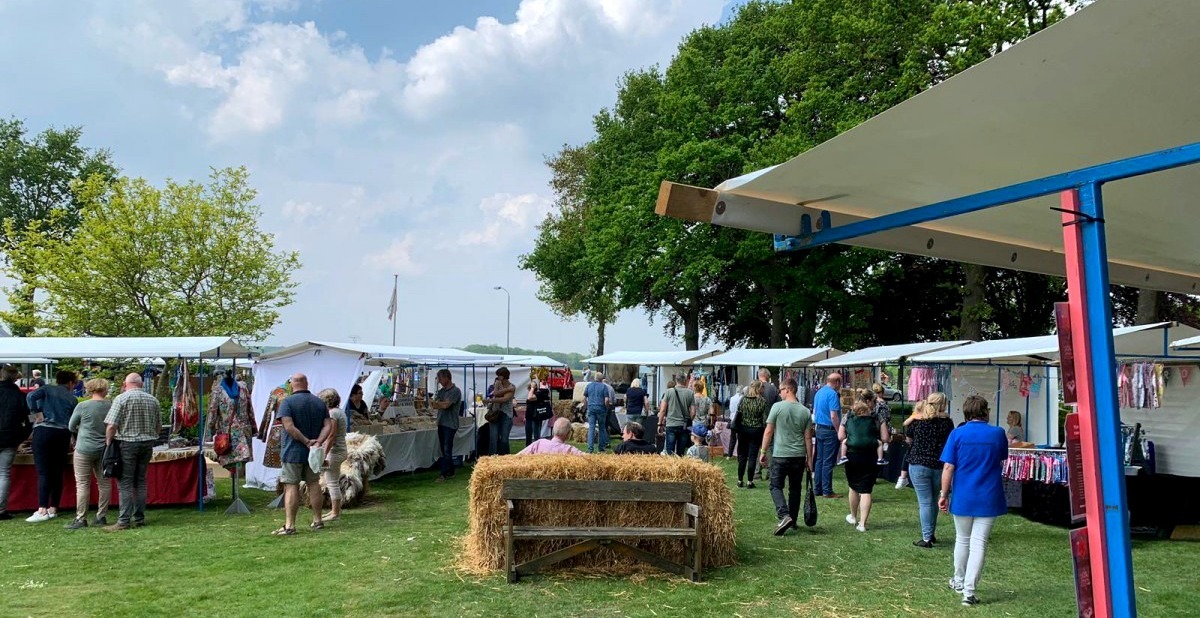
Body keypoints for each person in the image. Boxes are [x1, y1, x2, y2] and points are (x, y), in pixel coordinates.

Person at [940, 395, 1009, 607]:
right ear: (985, 411)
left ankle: (959, 582)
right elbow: (1001, 459)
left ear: (966, 412)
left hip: (963, 495)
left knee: (962, 539)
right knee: (979, 543)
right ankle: (969, 591)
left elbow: (948, 467)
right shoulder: (998, 433)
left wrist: (943, 494)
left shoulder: (957, 434)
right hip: (989, 495)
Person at [273, 373, 332, 536]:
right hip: (314, 453)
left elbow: (289, 427)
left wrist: (306, 441)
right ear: (307, 383)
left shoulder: (287, 402)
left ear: (292, 384)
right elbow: (328, 425)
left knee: (291, 486)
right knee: (314, 484)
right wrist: (318, 442)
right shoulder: (319, 402)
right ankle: (318, 520)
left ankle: (290, 525)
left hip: (293, 452)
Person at [102, 374, 161, 531]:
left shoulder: (121, 399)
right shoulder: (153, 400)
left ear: (125, 384)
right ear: (141, 384)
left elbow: (111, 425)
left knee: (125, 483)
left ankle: (123, 521)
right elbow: (158, 426)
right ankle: (139, 518)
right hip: (147, 443)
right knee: (140, 481)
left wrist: (109, 442)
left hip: (127, 443)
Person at [760, 379, 812, 535]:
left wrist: (763, 452)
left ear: (789, 390)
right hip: (798, 455)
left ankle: (784, 515)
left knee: (775, 486)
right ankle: (793, 520)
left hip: (781, 454)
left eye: (781, 390)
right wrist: (809, 459)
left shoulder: (777, 407)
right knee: (795, 489)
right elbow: (808, 438)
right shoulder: (805, 411)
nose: (779, 393)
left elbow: (769, 431)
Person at [25, 370, 78, 523]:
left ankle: (41, 509)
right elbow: (73, 421)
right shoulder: (72, 399)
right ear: (70, 382)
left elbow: (30, 396)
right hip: (62, 434)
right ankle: (53, 507)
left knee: (43, 472)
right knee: (57, 471)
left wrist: (36, 414)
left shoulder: (47, 389)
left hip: (44, 430)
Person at [908, 392, 955, 548]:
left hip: (918, 464)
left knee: (925, 502)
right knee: (934, 500)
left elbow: (909, 438)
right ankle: (931, 533)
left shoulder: (918, 421)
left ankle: (927, 537)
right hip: (939, 466)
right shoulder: (947, 423)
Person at [65, 378, 113, 529]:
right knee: (104, 483)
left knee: (82, 484)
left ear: (90, 389)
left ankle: (81, 518)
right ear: (104, 389)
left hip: (84, 448)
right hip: (104, 448)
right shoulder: (110, 405)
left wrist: (81, 429)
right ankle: (101, 516)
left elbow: (71, 426)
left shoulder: (83, 406)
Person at [839, 401, 881, 532]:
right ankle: (862, 524)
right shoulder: (875, 419)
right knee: (866, 490)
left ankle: (853, 516)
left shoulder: (848, 418)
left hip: (853, 456)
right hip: (871, 455)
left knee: (853, 487)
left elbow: (840, 436)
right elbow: (884, 436)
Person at [0, 366, 32, 521]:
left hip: (10, 437)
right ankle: (1, 509)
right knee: (4, 473)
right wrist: (22, 437)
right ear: (16, 378)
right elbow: (30, 419)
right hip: (10, 438)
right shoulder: (20, 396)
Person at [317, 388, 348, 522]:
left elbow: (331, 435)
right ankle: (335, 510)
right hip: (340, 450)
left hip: (335, 451)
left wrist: (324, 454)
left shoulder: (332, 414)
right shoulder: (339, 412)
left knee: (332, 482)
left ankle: (335, 512)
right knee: (332, 480)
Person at [811, 372, 843, 499]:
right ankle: (827, 490)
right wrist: (838, 430)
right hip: (830, 430)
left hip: (819, 428)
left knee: (819, 460)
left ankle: (817, 488)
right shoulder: (833, 394)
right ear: (836, 382)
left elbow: (814, 411)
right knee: (828, 461)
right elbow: (834, 415)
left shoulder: (819, 392)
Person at [838, 390, 887, 467]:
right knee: (870, 479)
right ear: (868, 401)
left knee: (853, 478)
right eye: (874, 401)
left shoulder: (848, 415)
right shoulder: (877, 417)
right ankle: (880, 459)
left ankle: (842, 457)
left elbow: (841, 436)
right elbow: (885, 438)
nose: (875, 404)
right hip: (871, 454)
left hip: (852, 454)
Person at [429, 369, 462, 482]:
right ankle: (451, 470)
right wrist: (440, 404)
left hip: (450, 424)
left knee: (447, 449)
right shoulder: (441, 391)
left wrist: (440, 404)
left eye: (441, 378)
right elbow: (435, 405)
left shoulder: (456, 391)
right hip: (441, 422)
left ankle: (444, 474)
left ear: (447, 378)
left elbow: (446, 406)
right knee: (444, 449)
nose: (439, 381)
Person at [734, 382, 768, 489]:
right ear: (758, 389)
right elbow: (764, 419)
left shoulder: (743, 400)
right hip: (756, 430)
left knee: (742, 456)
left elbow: (738, 413)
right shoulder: (762, 401)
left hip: (743, 429)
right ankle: (749, 481)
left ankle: (740, 480)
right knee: (753, 456)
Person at [658, 375, 696, 456]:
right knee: (681, 452)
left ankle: (670, 466)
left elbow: (663, 410)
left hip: (671, 424)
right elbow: (693, 412)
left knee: (669, 451)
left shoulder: (668, 392)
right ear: (685, 381)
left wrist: (660, 424)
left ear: (676, 381)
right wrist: (689, 419)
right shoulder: (690, 393)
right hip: (684, 425)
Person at [483, 367, 515, 456]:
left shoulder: (512, 386)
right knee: (493, 437)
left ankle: (504, 457)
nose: (497, 377)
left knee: (504, 439)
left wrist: (490, 400)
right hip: (495, 413)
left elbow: (504, 399)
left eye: (499, 375)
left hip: (506, 415)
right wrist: (506, 389)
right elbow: (495, 394)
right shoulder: (504, 386)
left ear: (502, 376)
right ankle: (492, 457)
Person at [517, 417, 584, 455]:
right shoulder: (569, 449)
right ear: (568, 434)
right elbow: (588, 458)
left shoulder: (539, 443)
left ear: (553, 430)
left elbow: (518, 456)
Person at [583, 371, 611, 453]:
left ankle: (590, 449)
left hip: (591, 408)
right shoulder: (604, 387)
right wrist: (606, 407)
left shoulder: (589, 386)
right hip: (601, 409)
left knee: (591, 428)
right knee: (602, 428)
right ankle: (601, 448)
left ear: (595, 378)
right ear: (602, 379)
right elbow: (606, 400)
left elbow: (584, 398)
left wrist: (586, 406)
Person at [524, 379, 550, 447]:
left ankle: (537, 448)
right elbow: (528, 405)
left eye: (530, 387)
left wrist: (532, 388)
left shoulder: (538, 393)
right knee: (528, 436)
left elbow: (530, 398)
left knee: (536, 436)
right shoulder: (531, 393)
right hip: (529, 417)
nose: (529, 389)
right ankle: (528, 448)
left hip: (536, 418)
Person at [726, 385, 744, 460]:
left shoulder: (732, 398)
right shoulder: (742, 398)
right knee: (740, 439)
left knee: (732, 438)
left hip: (732, 418)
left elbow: (730, 408)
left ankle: (729, 454)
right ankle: (739, 455)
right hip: (739, 419)